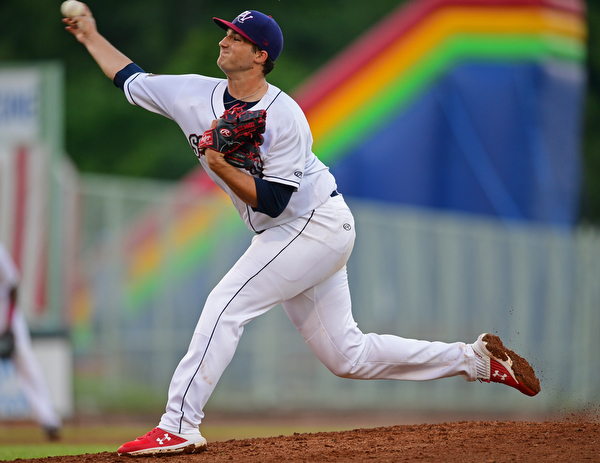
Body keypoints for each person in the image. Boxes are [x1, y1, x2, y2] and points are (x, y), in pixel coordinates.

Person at [63, 6, 540, 456]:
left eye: (237, 37)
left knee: (226, 305)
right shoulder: (193, 93)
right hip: (290, 234)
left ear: (260, 55)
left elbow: (273, 200)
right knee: (346, 356)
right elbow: (131, 79)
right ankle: (476, 361)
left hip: (312, 225)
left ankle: (178, 425)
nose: (225, 41)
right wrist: (90, 35)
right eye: (227, 33)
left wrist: (218, 163)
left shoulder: (284, 115)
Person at [0, 242, 62, 441]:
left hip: (7, 317)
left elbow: (13, 285)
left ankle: (49, 420)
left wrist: (9, 324)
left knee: (28, 367)